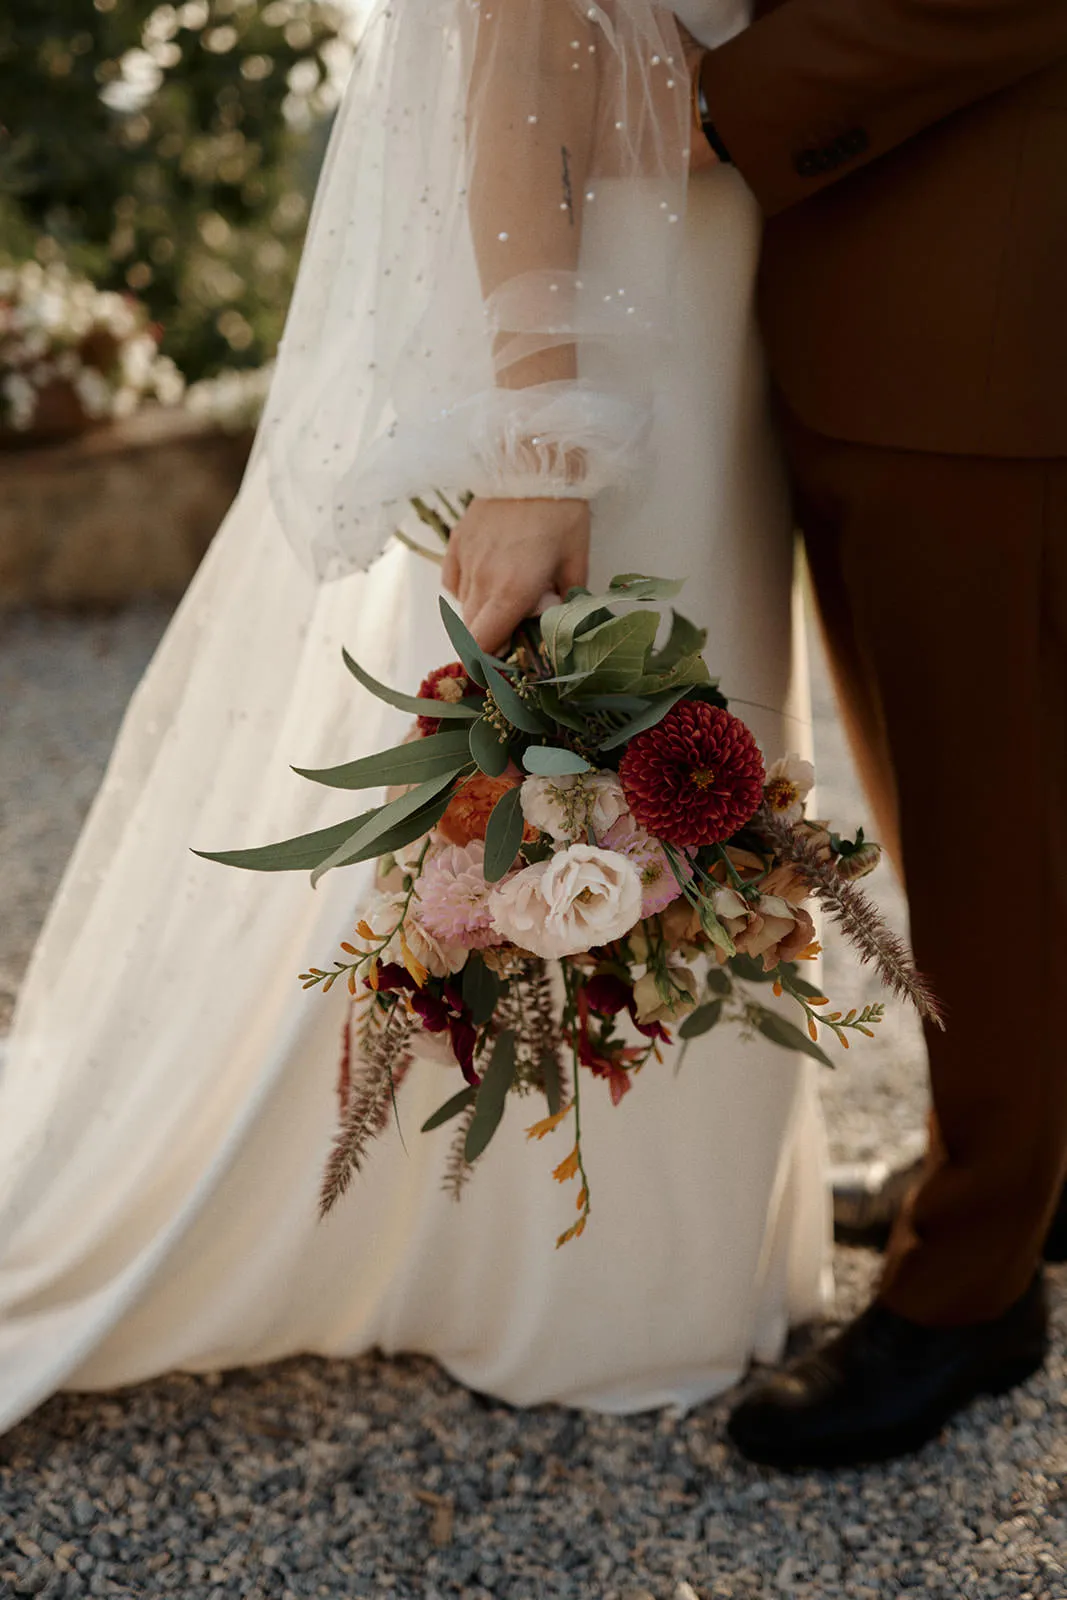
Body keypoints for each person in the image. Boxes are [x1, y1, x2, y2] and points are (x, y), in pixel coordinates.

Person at [0, 0, 833, 1432]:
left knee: (703, 773)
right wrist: (537, 453)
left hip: (710, 327)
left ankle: (692, 1251)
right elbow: (506, 108)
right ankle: (561, 1277)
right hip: (613, 358)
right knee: (590, 778)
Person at [677, 2, 1067, 1468]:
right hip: (875, 312)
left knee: (989, 842)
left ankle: (967, 1288)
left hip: (983, 327)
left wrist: (734, 103)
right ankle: (1028, 1161)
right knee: (962, 815)